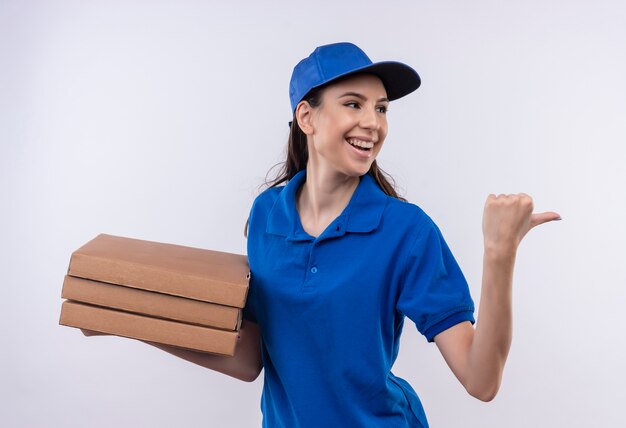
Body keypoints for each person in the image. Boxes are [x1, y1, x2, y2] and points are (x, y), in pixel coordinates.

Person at [85, 42, 560, 427]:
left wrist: (499, 254)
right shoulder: (267, 216)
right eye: (353, 104)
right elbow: (250, 359)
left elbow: (481, 381)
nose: (373, 122)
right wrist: (131, 321)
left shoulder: (406, 231)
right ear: (306, 118)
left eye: (381, 108)